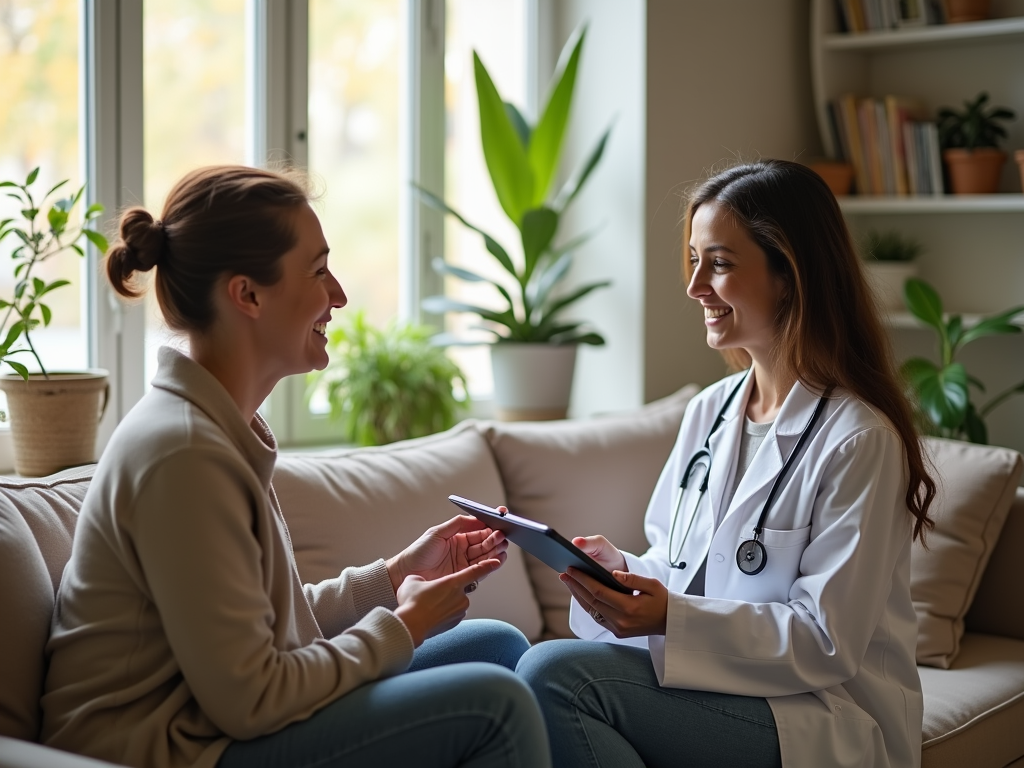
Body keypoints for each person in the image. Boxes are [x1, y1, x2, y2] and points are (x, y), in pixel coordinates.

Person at [41, 165, 550, 768]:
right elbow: (252, 696)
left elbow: (268, 630)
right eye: (317, 271)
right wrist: (404, 624)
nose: (337, 294)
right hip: (169, 750)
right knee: (495, 702)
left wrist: (393, 576)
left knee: (496, 646)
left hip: (214, 725)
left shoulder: (220, 430)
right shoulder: (183, 457)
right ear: (247, 295)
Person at [516, 159, 936, 768]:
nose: (694, 288)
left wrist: (670, 615)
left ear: (789, 276)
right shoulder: (710, 412)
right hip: (725, 689)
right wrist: (623, 574)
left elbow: (826, 642)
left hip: (822, 712)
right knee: (513, 662)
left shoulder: (857, 439)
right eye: (695, 261)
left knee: (560, 675)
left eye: (719, 263)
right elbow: (679, 566)